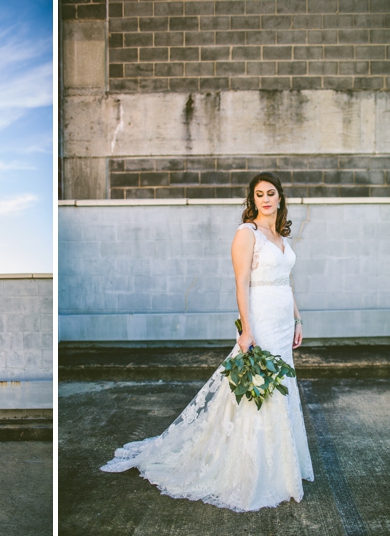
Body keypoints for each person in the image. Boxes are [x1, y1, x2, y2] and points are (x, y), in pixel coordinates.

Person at [101, 172, 314, 512]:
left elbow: (285, 282)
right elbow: (241, 284)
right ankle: (251, 469)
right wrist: (246, 330)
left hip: (283, 323)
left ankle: (280, 467)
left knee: (281, 385)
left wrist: (298, 318)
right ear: (252, 200)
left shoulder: (281, 236)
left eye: (270, 193)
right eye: (258, 194)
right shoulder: (248, 234)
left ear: (280, 197)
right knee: (257, 387)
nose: (265, 199)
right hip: (258, 322)